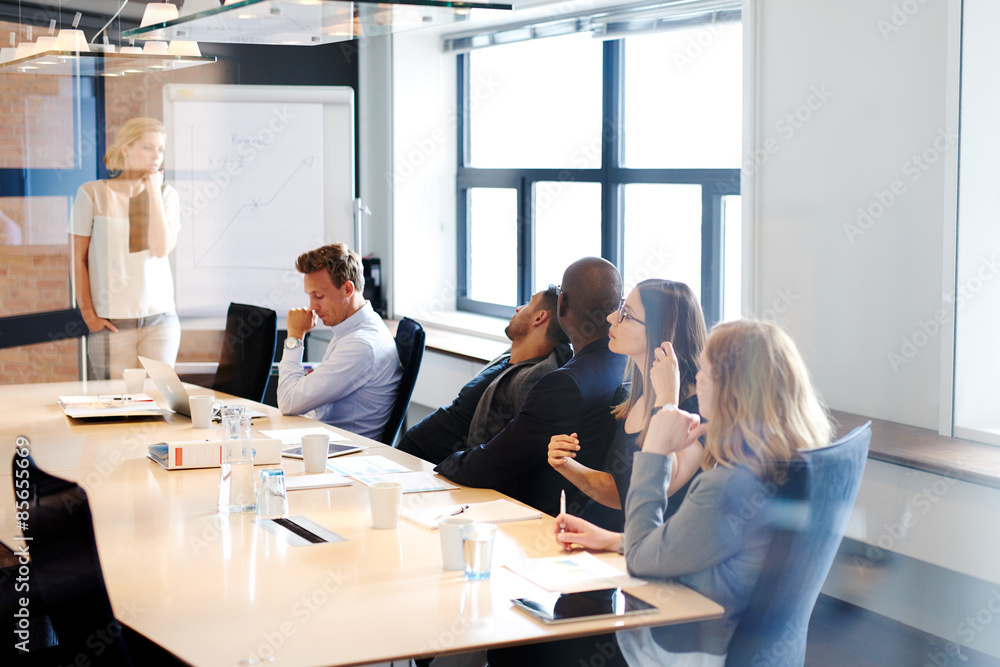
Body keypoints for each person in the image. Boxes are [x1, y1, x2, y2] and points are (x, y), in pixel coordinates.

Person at [554, 319, 833, 666]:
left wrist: (655, 449)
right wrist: (613, 540)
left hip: (679, 651)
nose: (698, 379)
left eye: (706, 372)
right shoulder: (789, 466)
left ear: (733, 389)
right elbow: (701, 547)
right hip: (752, 649)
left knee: (558, 643)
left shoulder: (729, 485)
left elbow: (642, 561)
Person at [434, 257, 627, 520]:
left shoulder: (563, 384)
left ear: (562, 305)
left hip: (540, 522)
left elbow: (492, 464)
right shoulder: (626, 364)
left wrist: (442, 462)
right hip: (596, 522)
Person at [548, 279, 707, 533]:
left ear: (661, 333)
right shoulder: (628, 395)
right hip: (626, 545)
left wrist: (667, 399)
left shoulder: (698, 409)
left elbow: (662, 485)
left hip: (663, 561)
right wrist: (566, 464)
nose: (612, 317)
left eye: (627, 315)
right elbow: (624, 491)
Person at [397, 286, 572, 465]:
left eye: (528, 303)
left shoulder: (533, 378)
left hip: (434, 469)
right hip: (412, 456)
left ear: (539, 317)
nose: (518, 308)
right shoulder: (510, 356)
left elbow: (503, 452)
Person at [70, 117, 181, 379]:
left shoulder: (167, 195)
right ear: (126, 149)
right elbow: (77, 260)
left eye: (161, 149)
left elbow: (160, 248)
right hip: (113, 325)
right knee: (116, 407)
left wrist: (152, 192)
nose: (156, 156)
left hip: (160, 322)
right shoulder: (91, 193)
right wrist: (89, 315)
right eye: (148, 147)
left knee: (160, 406)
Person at [277, 243, 402, 440]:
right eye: (310, 296)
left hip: (342, 457)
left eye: (319, 296)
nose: (312, 307)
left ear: (347, 289)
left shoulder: (361, 345)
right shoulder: (354, 328)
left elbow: (287, 402)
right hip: (323, 441)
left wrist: (294, 336)